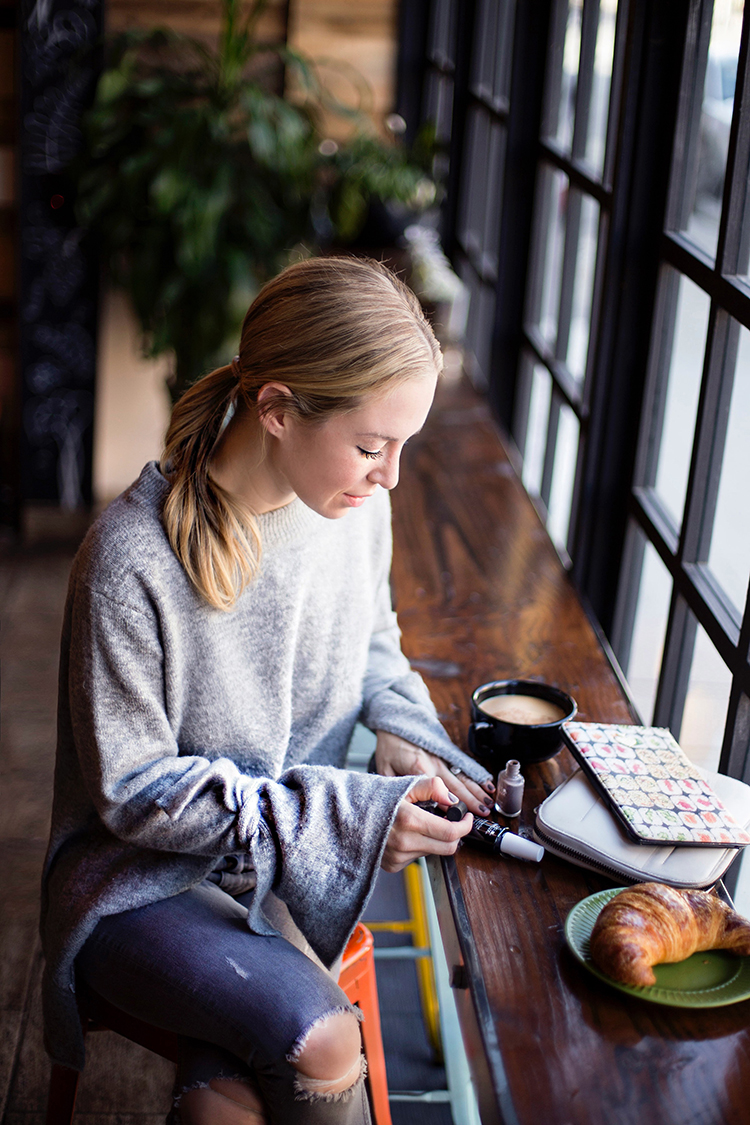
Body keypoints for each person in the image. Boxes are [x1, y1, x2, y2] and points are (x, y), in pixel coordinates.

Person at [40, 256, 494, 1125]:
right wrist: (347, 816)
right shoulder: (130, 558)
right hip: (138, 879)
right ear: (277, 408)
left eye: (405, 446)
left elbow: (372, 646)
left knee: (230, 1107)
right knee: (324, 1042)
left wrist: (403, 731)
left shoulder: (352, 504)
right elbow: (137, 796)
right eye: (371, 445)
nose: (391, 475)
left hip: (270, 872)